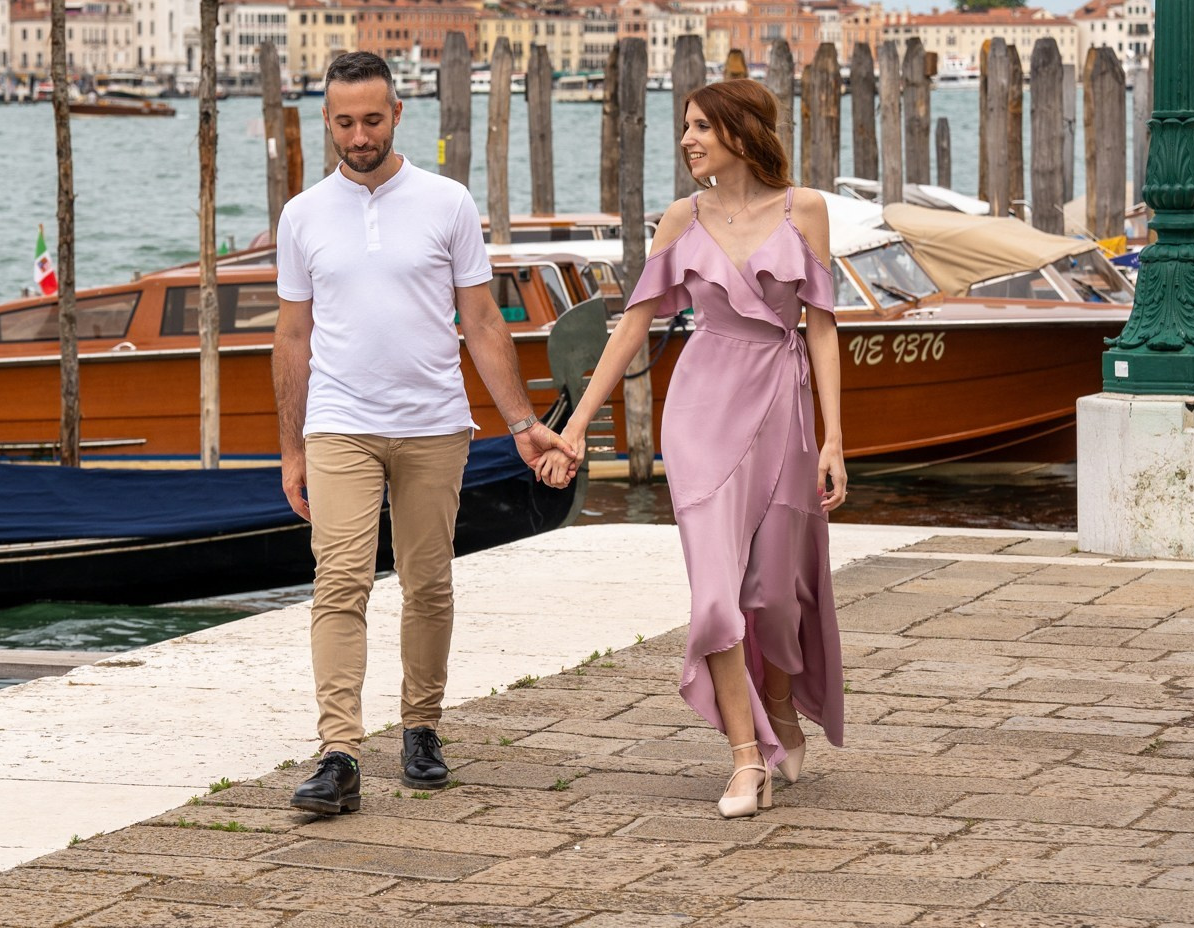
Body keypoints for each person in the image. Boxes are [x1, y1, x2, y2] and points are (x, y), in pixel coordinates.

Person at [273, 50, 576, 816]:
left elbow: (481, 321)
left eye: (372, 119)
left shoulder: (446, 202)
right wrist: (291, 446)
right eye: (343, 121)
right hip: (340, 422)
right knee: (338, 580)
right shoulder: (302, 214)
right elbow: (291, 337)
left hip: (435, 424)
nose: (358, 134)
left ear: (397, 113)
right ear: (328, 120)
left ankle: (422, 727)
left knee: (428, 582)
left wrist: (522, 425)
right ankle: (339, 750)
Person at [541, 78, 846, 818]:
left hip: (783, 410)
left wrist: (836, 438)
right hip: (702, 413)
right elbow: (632, 325)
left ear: (742, 131)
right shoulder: (681, 219)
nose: (688, 139)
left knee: (773, 597)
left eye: (702, 125)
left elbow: (822, 326)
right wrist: (578, 425)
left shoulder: (804, 209)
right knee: (715, 596)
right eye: (685, 126)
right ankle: (746, 759)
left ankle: (779, 699)